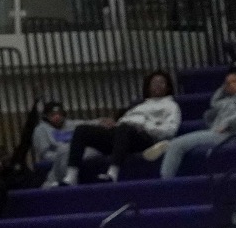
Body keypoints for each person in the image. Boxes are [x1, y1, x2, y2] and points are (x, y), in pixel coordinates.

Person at [48, 70, 182, 185]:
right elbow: (123, 123)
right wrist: (113, 124)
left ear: (168, 87)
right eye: (154, 82)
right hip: (122, 134)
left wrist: (145, 127)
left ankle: (112, 173)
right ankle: (71, 176)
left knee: (125, 128)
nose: (157, 85)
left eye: (161, 82)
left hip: (144, 138)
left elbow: (170, 130)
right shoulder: (138, 106)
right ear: (148, 87)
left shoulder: (171, 106)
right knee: (82, 130)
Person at [159, 68, 236, 178]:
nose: (231, 85)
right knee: (177, 144)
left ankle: (165, 183)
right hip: (215, 132)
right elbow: (214, 102)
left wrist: (228, 123)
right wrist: (223, 88)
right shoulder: (227, 100)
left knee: (176, 144)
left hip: (229, 135)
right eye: (228, 83)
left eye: (234, 81)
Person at [29, 101, 75, 183]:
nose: (57, 117)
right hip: (54, 159)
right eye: (52, 115)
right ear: (46, 116)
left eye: (59, 114)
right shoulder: (41, 129)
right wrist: (62, 156)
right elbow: (45, 154)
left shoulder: (70, 125)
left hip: (72, 155)